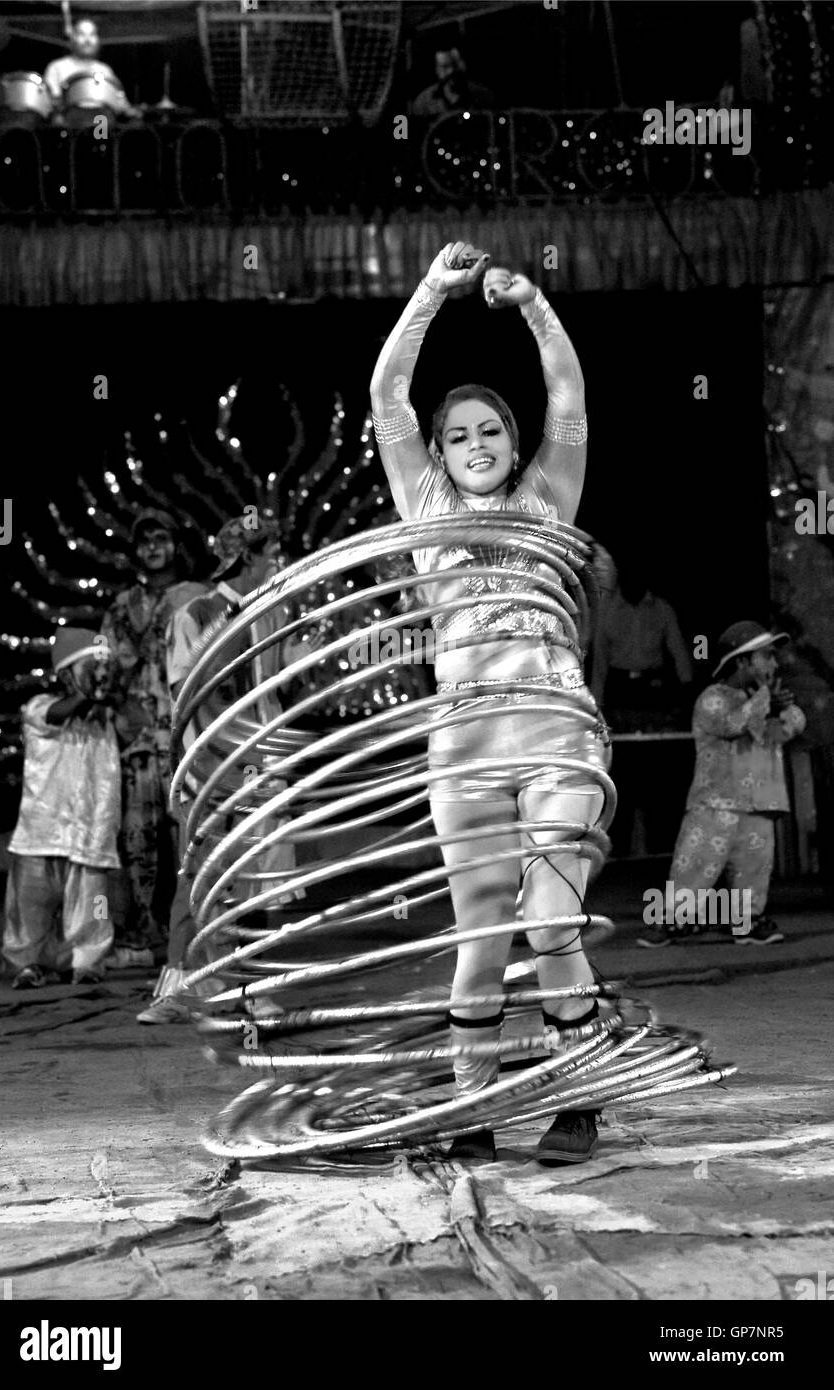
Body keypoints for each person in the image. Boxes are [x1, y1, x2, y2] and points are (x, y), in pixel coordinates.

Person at [370, 241, 611, 1165]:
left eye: (492, 432)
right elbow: (389, 390)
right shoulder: (424, 504)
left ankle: (579, 1097)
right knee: (479, 933)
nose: (477, 445)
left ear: (515, 446)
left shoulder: (550, 497)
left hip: (555, 733)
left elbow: (570, 399)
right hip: (464, 741)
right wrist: (433, 290)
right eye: (459, 434)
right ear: (437, 452)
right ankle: (472, 1110)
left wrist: (535, 306)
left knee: (550, 921)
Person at [138, 514, 314, 1023]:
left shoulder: (273, 613)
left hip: (265, 767)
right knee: (199, 877)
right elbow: (187, 696)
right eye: (271, 554)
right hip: (211, 769)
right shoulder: (197, 614)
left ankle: (251, 989)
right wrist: (212, 767)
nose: (278, 563)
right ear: (246, 559)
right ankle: (180, 990)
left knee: (256, 880)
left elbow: (283, 682)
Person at [638, 621, 806, 949]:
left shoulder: (764, 700)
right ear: (741, 661)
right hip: (715, 803)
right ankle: (672, 921)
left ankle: (749, 920)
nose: (774, 663)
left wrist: (782, 708)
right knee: (695, 868)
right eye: (765, 656)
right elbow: (731, 725)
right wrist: (764, 703)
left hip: (760, 803)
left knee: (754, 870)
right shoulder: (713, 698)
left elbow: (793, 726)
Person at [101, 509, 206, 967]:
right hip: (140, 738)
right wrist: (122, 710)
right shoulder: (123, 605)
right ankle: (145, 933)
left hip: (189, 733)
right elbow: (107, 666)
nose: (152, 549)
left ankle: (199, 935)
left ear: (176, 545)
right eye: (144, 542)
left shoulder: (198, 598)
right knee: (139, 838)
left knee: (190, 835)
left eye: (160, 538)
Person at [3, 629, 119, 988]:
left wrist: (113, 693)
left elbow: (141, 722)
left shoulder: (106, 716)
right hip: (41, 831)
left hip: (91, 832)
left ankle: (88, 963)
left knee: (95, 906)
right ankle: (27, 964)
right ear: (67, 673)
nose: (99, 675)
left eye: (104, 668)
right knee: (31, 909)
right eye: (90, 668)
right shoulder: (39, 707)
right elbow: (57, 714)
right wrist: (87, 694)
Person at [591, 565, 693, 721]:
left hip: (652, 685)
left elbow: (679, 651)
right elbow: (600, 659)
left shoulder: (662, 610)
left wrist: (687, 686)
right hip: (619, 685)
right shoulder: (606, 610)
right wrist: (597, 702)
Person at [43, 16, 139, 121]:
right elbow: (49, 103)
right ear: (72, 38)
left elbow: (120, 103)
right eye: (82, 34)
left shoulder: (105, 70)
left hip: (101, 128)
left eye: (92, 34)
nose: (88, 40)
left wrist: (131, 111)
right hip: (67, 128)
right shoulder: (56, 67)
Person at [411, 47, 495, 119]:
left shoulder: (483, 96)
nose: (451, 71)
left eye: (455, 65)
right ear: (437, 70)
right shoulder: (423, 102)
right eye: (445, 67)